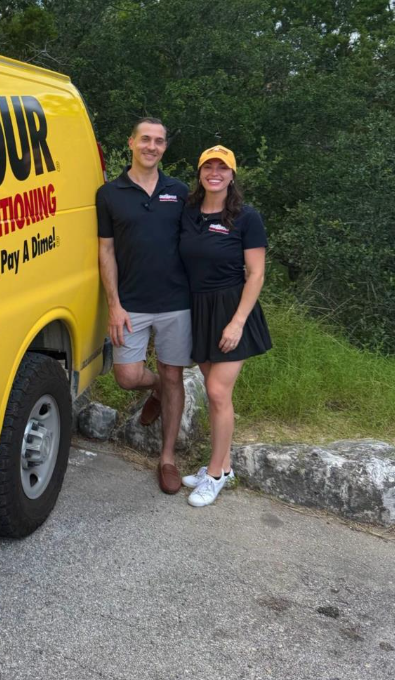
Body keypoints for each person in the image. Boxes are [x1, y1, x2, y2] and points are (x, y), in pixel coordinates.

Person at [96, 118, 192, 495]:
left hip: (175, 303)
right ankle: (154, 391)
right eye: (145, 139)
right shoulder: (109, 194)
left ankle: (166, 458)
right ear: (131, 143)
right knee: (126, 377)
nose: (152, 146)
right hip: (130, 303)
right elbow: (105, 251)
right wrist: (114, 305)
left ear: (165, 148)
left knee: (174, 376)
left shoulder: (180, 192)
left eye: (159, 141)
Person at [178, 145, 272, 507]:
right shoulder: (188, 213)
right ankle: (226, 467)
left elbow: (257, 273)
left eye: (222, 167)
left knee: (217, 392)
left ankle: (214, 475)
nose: (214, 172)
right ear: (200, 173)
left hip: (234, 310)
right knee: (218, 394)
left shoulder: (247, 217)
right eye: (208, 166)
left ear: (232, 175)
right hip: (199, 309)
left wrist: (237, 322)